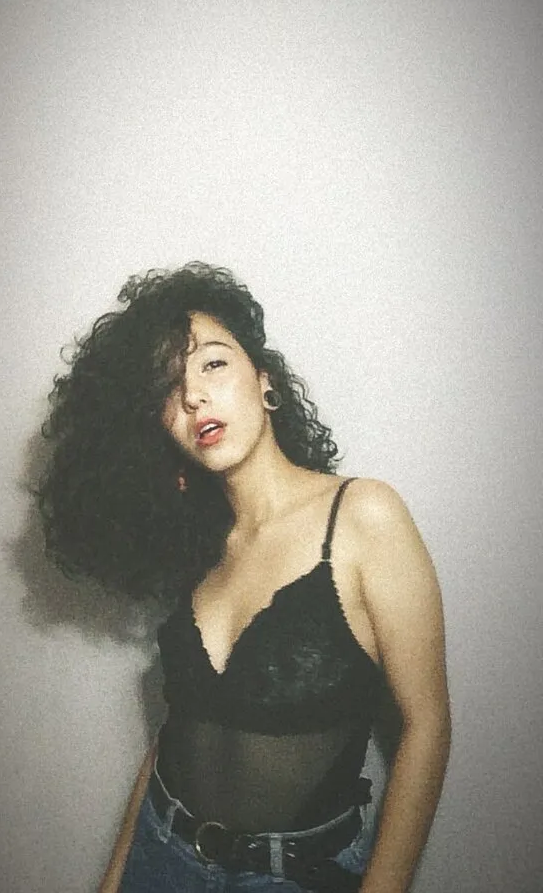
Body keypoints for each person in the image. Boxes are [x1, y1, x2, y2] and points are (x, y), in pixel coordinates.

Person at [38, 263, 451, 893]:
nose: (193, 397)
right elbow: (178, 729)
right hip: (160, 853)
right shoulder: (197, 544)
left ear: (265, 381)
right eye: (168, 388)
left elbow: (427, 726)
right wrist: (115, 879)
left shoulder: (364, 516)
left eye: (212, 364)